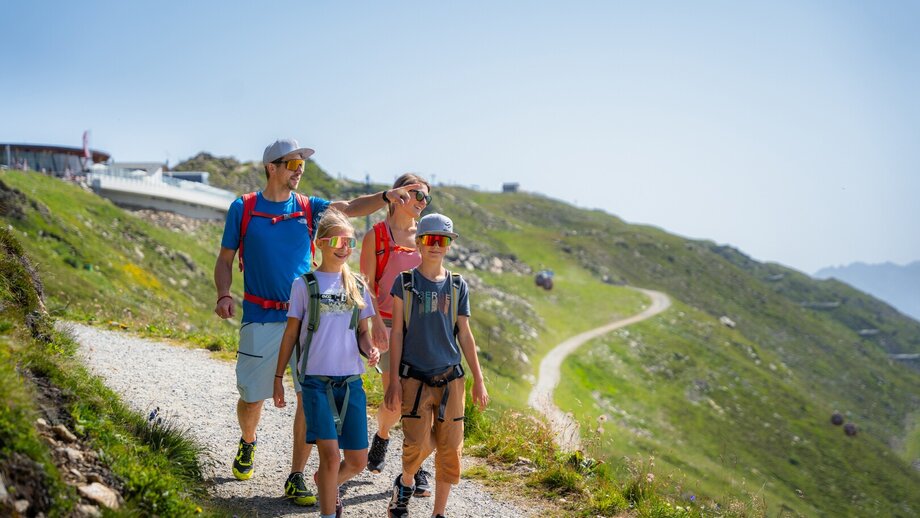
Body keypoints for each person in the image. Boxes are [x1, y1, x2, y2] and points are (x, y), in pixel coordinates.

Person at [214, 138, 420, 506]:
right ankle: (248, 440)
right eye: (293, 165)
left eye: (302, 166)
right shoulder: (243, 208)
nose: (299, 171)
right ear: (271, 167)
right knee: (251, 397)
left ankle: (296, 476)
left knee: (307, 399)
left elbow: (350, 208)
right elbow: (226, 257)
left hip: (309, 316)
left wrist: (387, 197)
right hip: (260, 315)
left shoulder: (309, 208)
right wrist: (224, 294)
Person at [273, 208, 379, 518]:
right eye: (338, 241)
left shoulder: (357, 285)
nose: (345, 248)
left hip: (351, 384)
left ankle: (324, 484)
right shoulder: (303, 285)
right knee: (331, 457)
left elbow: (362, 333)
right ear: (321, 243)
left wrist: (370, 349)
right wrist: (279, 378)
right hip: (316, 384)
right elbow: (291, 333)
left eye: (350, 242)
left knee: (358, 461)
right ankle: (328, 511)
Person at [384, 213, 489, 518]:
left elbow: (465, 335)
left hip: (451, 379)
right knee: (415, 445)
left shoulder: (458, 285)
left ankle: (438, 513)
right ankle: (404, 483)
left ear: (448, 245)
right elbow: (398, 333)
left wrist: (479, 380)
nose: (436, 246)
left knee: (450, 451)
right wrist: (393, 382)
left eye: (442, 241)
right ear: (418, 243)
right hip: (414, 380)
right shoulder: (404, 282)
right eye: (430, 239)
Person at [360, 174, 434, 493]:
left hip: (420, 328)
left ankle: (415, 468)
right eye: (416, 194)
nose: (422, 201)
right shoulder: (375, 236)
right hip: (387, 324)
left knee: (422, 401)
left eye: (426, 197)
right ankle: (383, 435)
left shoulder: (426, 237)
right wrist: (375, 322)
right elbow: (365, 285)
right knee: (394, 401)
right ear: (399, 195)